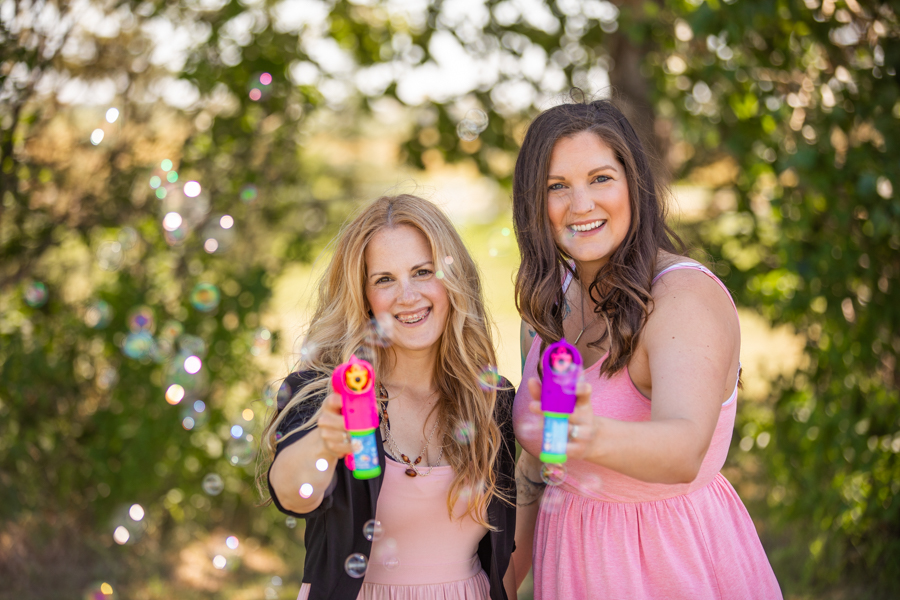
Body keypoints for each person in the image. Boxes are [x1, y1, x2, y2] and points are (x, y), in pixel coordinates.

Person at [509, 99, 782, 599]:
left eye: (600, 178)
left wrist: (591, 435)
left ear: (634, 185)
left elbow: (683, 451)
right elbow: (538, 467)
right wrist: (507, 578)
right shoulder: (552, 304)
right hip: (570, 562)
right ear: (533, 203)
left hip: (665, 564)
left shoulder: (682, 301)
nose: (581, 204)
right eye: (557, 186)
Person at [259, 194, 517, 600]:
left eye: (423, 272)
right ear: (363, 297)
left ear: (452, 280)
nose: (407, 295)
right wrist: (325, 440)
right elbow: (292, 494)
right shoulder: (325, 392)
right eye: (384, 279)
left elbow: (504, 557)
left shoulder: (490, 399)